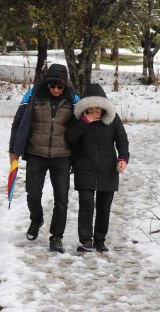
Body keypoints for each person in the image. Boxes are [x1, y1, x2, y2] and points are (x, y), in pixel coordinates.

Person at [9, 64, 79, 253]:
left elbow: (83, 128)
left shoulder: (73, 99)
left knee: (62, 199)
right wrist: (12, 151)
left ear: (65, 85)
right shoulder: (32, 96)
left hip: (62, 156)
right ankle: (36, 219)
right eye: (52, 86)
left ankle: (56, 237)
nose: (56, 90)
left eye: (60, 87)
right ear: (47, 84)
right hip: (35, 154)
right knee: (33, 194)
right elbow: (17, 123)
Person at [65, 83, 129, 253]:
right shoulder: (79, 120)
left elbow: (122, 140)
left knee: (104, 207)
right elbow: (70, 138)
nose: (97, 110)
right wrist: (84, 122)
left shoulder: (113, 119)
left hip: (108, 170)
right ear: (86, 107)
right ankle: (86, 240)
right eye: (93, 107)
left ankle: (100, 239)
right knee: (86, 204)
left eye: (100, 107)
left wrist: (123, 158)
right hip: (84, 168)